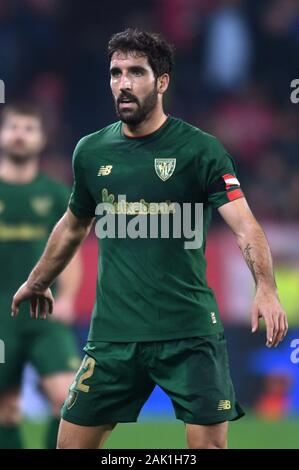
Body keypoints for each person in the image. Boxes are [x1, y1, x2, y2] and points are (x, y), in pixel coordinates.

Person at [11, 29, 288, 449]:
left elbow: (245, 225)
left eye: (136, 72)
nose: (123, 83)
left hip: (190, 333)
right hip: (113, 337)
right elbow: (73, 225)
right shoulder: (91, 152)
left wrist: (265, 288)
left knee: (207, 448)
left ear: (162, 82)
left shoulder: (201, 151)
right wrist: (38, 280)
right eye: (115, 73)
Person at [0, 103, 81, 448]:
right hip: (2, 315)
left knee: (69, 402)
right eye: (13, 127)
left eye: (29, 128)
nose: (20, 135)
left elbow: (70, 254)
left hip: (44, 312)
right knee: (4, 410)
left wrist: (68, 297)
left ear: (42, 139)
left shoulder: (55, 194)